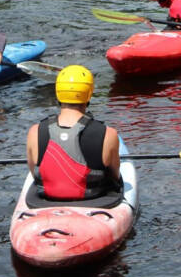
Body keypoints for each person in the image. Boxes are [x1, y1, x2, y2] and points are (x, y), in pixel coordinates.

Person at [26, 65, 122, 204]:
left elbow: (33, 173)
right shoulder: (108, 134)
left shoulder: (34, 132)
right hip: (94, 200)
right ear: (89, 92)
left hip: (46, 202)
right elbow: (116, 176)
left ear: (58, 92)